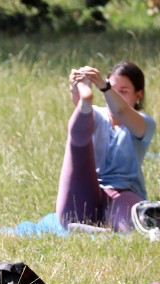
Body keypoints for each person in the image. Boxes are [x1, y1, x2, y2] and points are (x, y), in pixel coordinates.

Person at [56, 62, 156, 232]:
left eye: (122, 91)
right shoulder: (97, 115)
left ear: (138, 95)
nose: (113, 95)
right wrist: (78, 89)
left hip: (123, 191)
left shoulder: (144, 122)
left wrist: (104, 86)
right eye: (112, 88)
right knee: (78, 138)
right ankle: (97, 230)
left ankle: (101, 232)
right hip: (88, 188)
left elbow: (122, 111)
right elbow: (81, 123)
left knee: (131, 227)